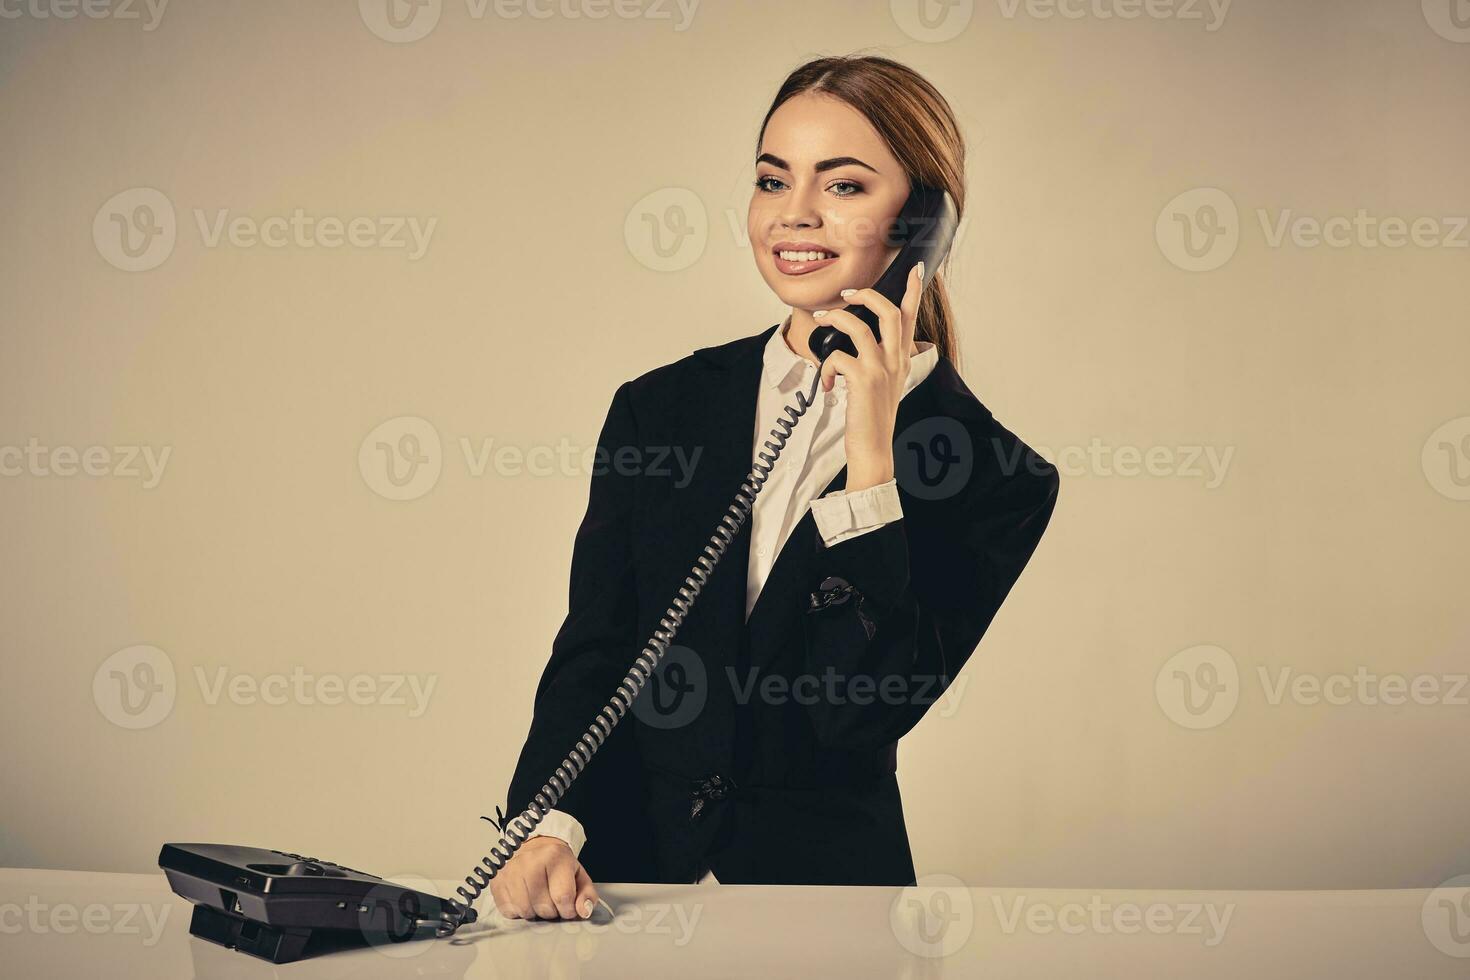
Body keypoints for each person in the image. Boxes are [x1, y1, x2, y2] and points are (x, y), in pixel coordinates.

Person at [490, 54, 1060, 922]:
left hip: (831, 911)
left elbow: (861, 712)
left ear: (924, 222)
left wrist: (872, 456)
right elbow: (599, 648)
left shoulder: (997, 477)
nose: (793, 214)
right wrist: (546, 825)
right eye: (771, 178)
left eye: (843, 186)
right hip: (623, 896)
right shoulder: (661, 410)